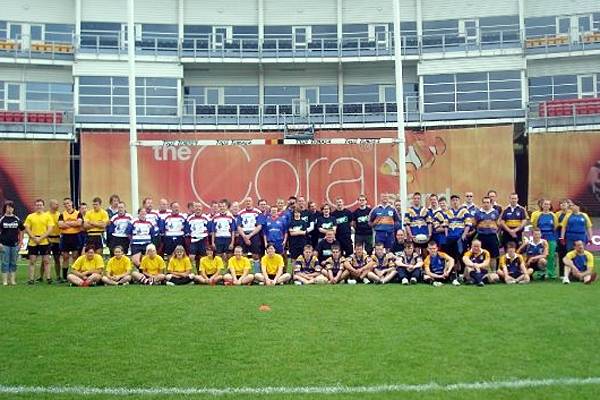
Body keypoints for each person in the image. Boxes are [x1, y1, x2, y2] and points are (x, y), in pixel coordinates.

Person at [24, 199, 54, 284]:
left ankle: (48, 278)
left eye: (40, 205)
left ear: (43, 206)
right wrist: (34, 237)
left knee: (46, 261)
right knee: (32, 261)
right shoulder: (30, 216)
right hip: (33, 242)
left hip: (44, 241)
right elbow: (27, 228)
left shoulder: (47, 216)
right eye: (37, 205)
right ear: (35, 206)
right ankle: (31, 279)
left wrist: (40, 238)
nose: (39, 206)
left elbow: (50, 229)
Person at [530, 199, 558, 279]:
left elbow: (555, 226)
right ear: (542, 205)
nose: (546, 206)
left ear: (550, 206)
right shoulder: (538, 215)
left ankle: (550, 273)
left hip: (551, 237)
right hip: (540, 237)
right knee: (540, 255)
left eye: (548, 204)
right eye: (545, 204)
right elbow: (535, 226)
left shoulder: (553, 215)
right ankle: (541, 272)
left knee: (551, 255)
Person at [58, 198, 83, 282]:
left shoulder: (78, 213)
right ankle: (64, 277)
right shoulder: (62, 214)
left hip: (75, 236)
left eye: (68, 203)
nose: (67, 205)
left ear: (71, 203)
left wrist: (67, 223)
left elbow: (79, 223)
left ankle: (75, 275)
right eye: (65, 204)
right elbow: (60, 225)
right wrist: (73, 224)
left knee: (75, 256)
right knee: (65, 257)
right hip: (65, 237)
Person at [0, 201, 24, 286]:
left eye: (11, 207)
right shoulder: (2, 219)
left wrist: (20, 242)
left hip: (14, 245)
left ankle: (12, 280)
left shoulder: (17, 219)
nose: (10, 209)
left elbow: (21, 230)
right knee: (5, 262)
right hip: (4, 244)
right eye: (8, 207)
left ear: (13, 209)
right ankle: (5, 281)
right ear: (5, 208)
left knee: (13, 262)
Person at [473, 196, 501, 270]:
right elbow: (474, 224)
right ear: (482, 203)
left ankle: (494, 273)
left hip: (492, 236)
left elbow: (498, 224)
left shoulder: (495, 212)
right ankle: (482, 273)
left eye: (488, 202)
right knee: (481, 255)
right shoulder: (478, 213)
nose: (486, 204)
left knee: (493, 256)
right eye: (484, 202)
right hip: (481, 236)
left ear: (491, 203)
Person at [236, 197, 263, 270]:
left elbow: (259, 226)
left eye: (249, 201)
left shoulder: (258, 212)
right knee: (243, 255)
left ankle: (256, 273)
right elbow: (238, 226)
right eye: (247, 201)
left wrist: (250, 235)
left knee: (255, 255)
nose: (248, 203)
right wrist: (245, 236)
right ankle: (243, 273)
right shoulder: (240, 213)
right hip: (243, 235)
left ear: (252, 202)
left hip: (254, 235)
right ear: (245, 203)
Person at [444, 195, 471, 267]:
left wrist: (463, 235)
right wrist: (446, 235)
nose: (455, 202)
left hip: (460, 238)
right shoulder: (448, 212)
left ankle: (461, 273)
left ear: (459, 201)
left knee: (461, 254)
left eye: (456, 200)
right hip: (450, 238)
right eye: (453, 200)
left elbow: (468, 224)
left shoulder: (464, 211)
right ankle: (453, 273)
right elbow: (446, 225)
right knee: (451, 256)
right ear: (451, 202)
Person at [187, 202, 211, 271]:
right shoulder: (190, 218)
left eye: (199, 207)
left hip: (203, 240)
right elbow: (187, 230)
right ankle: (190, 272)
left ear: (202, 208)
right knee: (191, 257)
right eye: (196, 207)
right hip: (194, 241)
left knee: (203, 258)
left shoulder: (206, 218)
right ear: (194, 208)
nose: (198, 208)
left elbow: (209, 229)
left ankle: (202, 272)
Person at [555, 199, 572, 278]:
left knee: (570, 255)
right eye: (561, 204)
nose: (563, 205)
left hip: (570, 236)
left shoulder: (571, 213)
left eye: (564, 204)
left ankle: (571, 273)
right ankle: (562, 273)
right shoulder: (557, 214)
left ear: (568, 205)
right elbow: (556, 224)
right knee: (561, 255)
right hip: (560, 237)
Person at [47, 199, 62, 282]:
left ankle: (58, 276)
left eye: (58, 204)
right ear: (51, 205)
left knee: (57, 259)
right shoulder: (46, 215)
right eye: (56, 204)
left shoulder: (60, 215)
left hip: (57, 239)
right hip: (48, 239)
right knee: (45, 259)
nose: (57, 206)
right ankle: (42, 276)